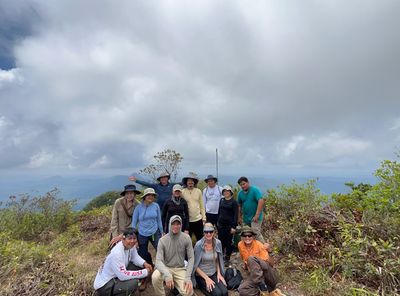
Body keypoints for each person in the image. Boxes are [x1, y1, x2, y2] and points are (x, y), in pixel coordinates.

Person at [94, 228, 153, 295]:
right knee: (133, 283)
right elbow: (123, 276)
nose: (132, 241)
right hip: (104, 285)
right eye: (129, 238)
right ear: (123, 239)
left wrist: (144, 263)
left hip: (116, 276)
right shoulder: (117, 253)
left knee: (139, 266)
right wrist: (145, 272)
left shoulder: (131, 246)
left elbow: (135, 257)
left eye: (134, 238)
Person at [152, 215, 195, 296]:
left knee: (188, 292)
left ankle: (177, 288)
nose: (175, 226)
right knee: (155, 277)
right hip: (166, 267)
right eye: (173, 223)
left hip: (180, 268)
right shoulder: (162, 240)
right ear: (169, 224)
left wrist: (188, 277)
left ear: (181, 225)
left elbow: (191, 258)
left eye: (178, 224)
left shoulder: (186, 238)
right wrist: (167, 274)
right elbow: (158, 261)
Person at [237, 226, 283, 296]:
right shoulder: (240, 245)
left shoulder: (259, 245)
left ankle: (263, 288)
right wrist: (246, 267)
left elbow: (271, 264)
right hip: (257, 277)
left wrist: (270, 251)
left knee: (251, 259)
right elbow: (244, 259)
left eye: (249, 235)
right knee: (242, 289)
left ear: (253, 236)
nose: (247, 237)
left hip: (268, 274)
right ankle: (266, 293)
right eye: (245, 235)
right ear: (242, 237)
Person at [192, 223, 228, 296]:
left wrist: (219, 273)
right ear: (203, 232)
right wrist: (206, 278)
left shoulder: (217, 243)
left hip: (213, 273)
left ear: (214, 232)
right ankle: (201, 286)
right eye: (206, 232)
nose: (208, 234)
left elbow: (217, 259)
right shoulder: (198, 245)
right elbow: (195, 266)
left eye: (211, 231)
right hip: (202, 275)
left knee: (224, 292)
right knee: (217, 294)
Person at [132, 188, 164, 266]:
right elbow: (134, 222)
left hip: (155, 232)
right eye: (148, 195)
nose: (150, 197)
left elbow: (159, 220)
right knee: (143, 253)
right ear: (144, 197)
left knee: (160, 250)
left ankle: (162, 266)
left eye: (152, 195)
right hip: (142, 233)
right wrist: (133, 236)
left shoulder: (156, 206)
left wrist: (162, 232)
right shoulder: (138, 208)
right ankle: (149, 267)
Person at [237, 176, 265, 243]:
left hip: (255, 216)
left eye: (244, 184)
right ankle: (247, 249)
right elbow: (239, 206)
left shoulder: (254, 190)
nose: (243, 186)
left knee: (255, 232)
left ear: (248, 183)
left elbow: (261, 200)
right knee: (245, 233)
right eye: (241, 185)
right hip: (246, 218)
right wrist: (239, 217)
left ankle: (265, 249)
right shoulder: (240, 193)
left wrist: (257, 215)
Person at [217, 185, 239, 266]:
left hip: (229, 226)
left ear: (230, 192)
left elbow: (236, 215)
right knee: (220, 241)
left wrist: (234, 227)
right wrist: (217, 223)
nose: (226, 192)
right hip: (221, 225)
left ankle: (227, 258)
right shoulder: (221, 200)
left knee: (229, 243)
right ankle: (220, 257)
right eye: (224, 191)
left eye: (228, 191)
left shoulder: (234, 202)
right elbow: (219, 212)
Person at [181, 172, 206, 242]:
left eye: (192, 181)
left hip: (198, 219)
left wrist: (204, 218)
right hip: (187, 221)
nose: (190, 182)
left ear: (194, 182)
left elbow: (202, 206)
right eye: (189, 181)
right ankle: (188, 253)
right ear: (186, 182)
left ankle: (200, 253)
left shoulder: (198, 191)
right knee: (187, 240)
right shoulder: (182, 192)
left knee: (200, 239)